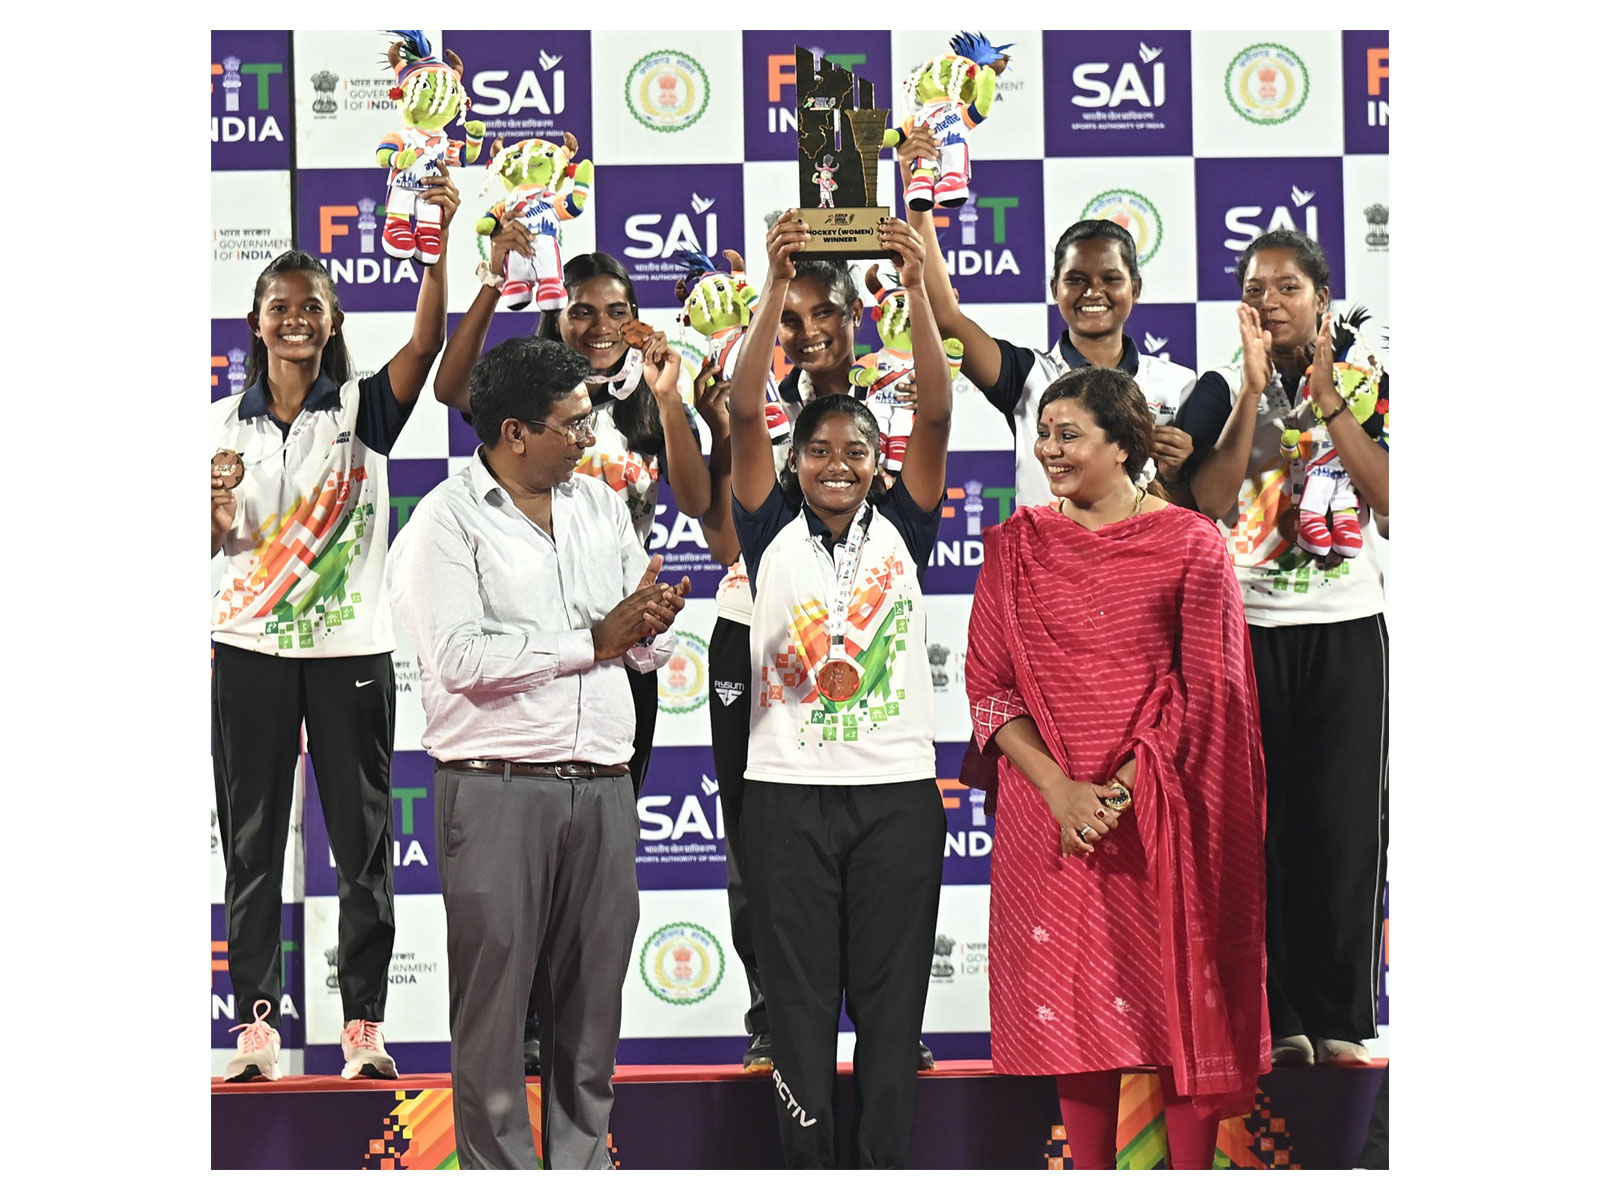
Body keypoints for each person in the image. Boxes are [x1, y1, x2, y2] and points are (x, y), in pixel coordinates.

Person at [386, 335, 691, 1170]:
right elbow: (459, 659)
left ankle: (583, 1171)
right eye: (573, 424)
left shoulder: (599, 506)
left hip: (605, 785)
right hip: (496, 788)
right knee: (494, 1019)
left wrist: (649, 624)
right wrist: (593, 640)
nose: (589, 438)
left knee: (592, 1015)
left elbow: (642, 649)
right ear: (514, 433)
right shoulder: (443, 523)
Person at [965, 366, 1270, 1170]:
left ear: (1124, 446)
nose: (1049, 449)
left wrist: (1119, 794)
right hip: (1052, 816)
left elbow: (1209, 689)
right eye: (1045, 433)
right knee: (1075, 1014)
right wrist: (1062, 792)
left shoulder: (1192, 543)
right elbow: (988, 691)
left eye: (1069, 435)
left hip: (1164, 811)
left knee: (1178, 1008)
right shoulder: (1017, 546)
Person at [210, 169, 459, 1083]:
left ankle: (362, 1026)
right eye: (280, 307)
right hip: (249, 653)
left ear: (333, 319)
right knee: (251, 848)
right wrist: (212, 511)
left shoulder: (362, 409)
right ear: (256, 321)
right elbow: (205, 544)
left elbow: (427, 343)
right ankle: (257, 1029)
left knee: (362, 849)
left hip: (351, 652)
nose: (295, 320)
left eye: (311, 307)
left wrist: (434, 242)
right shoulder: (213, 427)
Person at [435, 244, 709, 1074]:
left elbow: (699, 496)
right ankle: (522, 1033)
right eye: (581, 308)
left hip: (618, 647)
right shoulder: (525, 394)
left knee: (594, 879)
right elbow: (452, 390)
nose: (599, 324)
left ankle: (569, 1048)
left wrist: (644, 624)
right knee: (511, 901)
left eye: (616, 310)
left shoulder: (642, 403)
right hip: (534, 694)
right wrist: (492, 279)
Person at [727, 210, 950, 1168]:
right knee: (802, 1014)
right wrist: (775, 289)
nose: (837, 466)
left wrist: (919, 286)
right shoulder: (765, 526)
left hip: (896, 793)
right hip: (787, 795)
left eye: (856, 452)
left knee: (894, 1020)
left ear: (877, 461)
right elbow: (743, 411)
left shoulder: (906, 525)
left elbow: (933, 413)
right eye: (818, 452)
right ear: (794, 461)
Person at [1174, 229, 1389, 1069]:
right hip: (1248, 635)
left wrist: (1330, 400)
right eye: (1255, 290)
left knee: (1341, 827)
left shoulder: (1370, 384)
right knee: (1255, 832)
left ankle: (1340, 1014)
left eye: (1287, 288)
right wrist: (1252, 394)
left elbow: (1391, 497)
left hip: (1346, 628)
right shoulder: (1217, 386)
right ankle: (1275, 1013)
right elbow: (1205, 502)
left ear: (1322, 300)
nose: (1270, 303)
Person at [893, 125, 1197, 507]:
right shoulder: (1029, 376)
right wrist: (917, 198)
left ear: (1135, 288)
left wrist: (1179, 473)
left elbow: (1200, 512)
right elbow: (947, 319)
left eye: (1110, 279)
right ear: (1055, 289)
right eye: (1076, 280)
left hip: (1146, 549)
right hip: (1046, 547)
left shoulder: (1179, 386)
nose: (1093, 292)